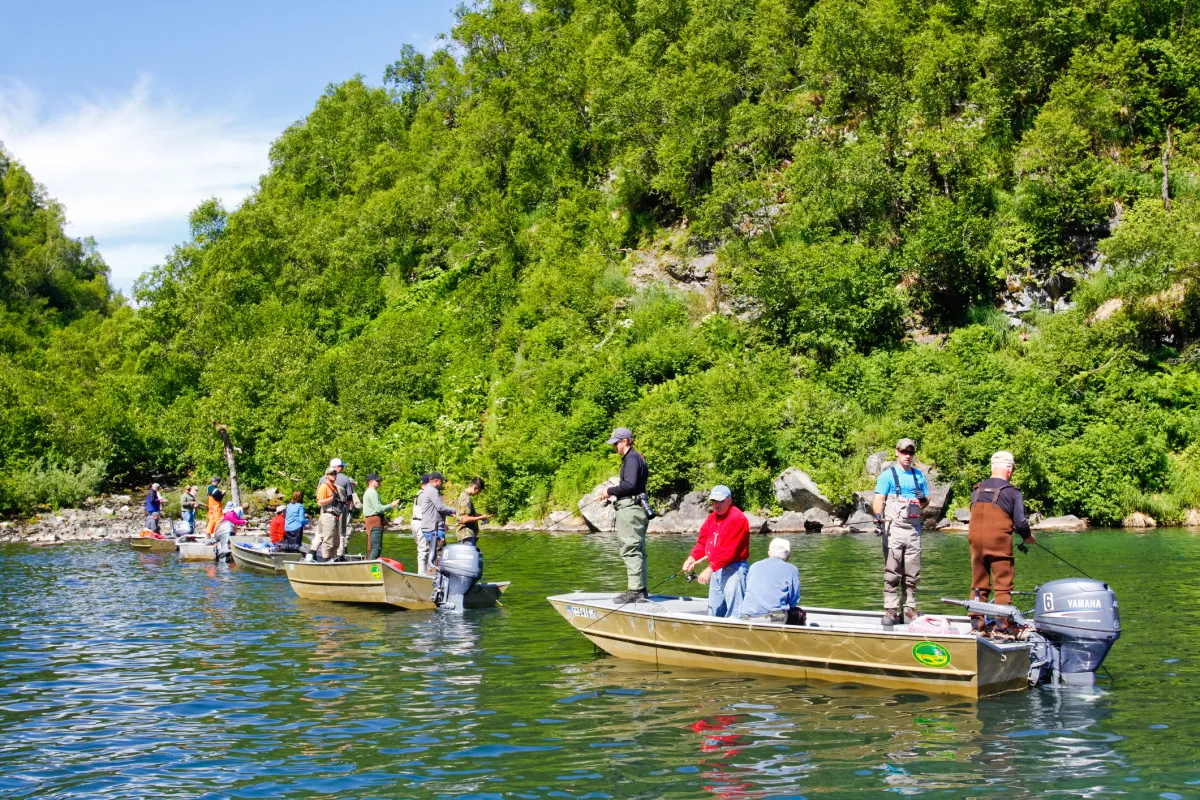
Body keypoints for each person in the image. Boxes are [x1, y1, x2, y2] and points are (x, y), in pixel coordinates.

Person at [968, 451, 1036, 634]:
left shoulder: (977, 489)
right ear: (1009, 468)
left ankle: (977, 626)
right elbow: (1020, 522)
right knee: (1002, 585)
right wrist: (1027, 537)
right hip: (999, 543)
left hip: (975, 543)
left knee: (978, 584)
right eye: (1012, 468)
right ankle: (1002, 628)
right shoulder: (1012, 492)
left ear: (992, 467)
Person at [872, 438, 931, 625]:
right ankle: (891, 610)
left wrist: (923, 500)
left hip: (914, 530)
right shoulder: (887, 475)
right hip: (893, 529)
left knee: (913, 573)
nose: (908, 456)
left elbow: (926, 502)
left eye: (911, 453)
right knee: (892, 571)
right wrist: (878, 514)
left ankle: (909, 609)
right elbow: (878, 499)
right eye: (904, 452)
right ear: (897, 452)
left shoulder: (918, 476)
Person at [681, 485, 750, 618]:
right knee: (714, 611)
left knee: (734, 613)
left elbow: (729, 551)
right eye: (714, 501)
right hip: (716, 569)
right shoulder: (712, 518)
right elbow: (702, 542)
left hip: (734, 569)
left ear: (729, 500)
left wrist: (709, 569)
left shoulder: (738, 519)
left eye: (720, 501)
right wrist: (692, 558)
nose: (716, 505)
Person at [601, 427, 650, 604]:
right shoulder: (637, 457)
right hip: (637, 507)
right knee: (638, 550)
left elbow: (629, 485)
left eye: (616, 443)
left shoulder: (631, 458)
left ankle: (635, 591)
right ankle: (640, 590)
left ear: (625, 441)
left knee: (630, 548)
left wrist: (609, 490)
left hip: (630, 509)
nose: (614, 446)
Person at [741, 538, 802, 622]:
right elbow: (793, 600)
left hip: (747, 617)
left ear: (769, 553)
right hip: (773, 618)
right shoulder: (792, 569)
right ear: (788, 556)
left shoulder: (754, 566)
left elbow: (747, 589)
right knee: (799, 613)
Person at [418, 472, 457, 576]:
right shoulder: (433, 491)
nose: (442, 483)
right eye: (441, 481)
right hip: (434, 529)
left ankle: (430, 576)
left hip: (429, 528)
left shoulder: (427, 490)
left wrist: (449, 514)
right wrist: (454, 511)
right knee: (439, 555)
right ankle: (436, 579)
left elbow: (436, 508)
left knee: (432, 554)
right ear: (436, 481)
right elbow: (440, 507)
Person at [362, 473, 401, 560]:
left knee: (371, 547)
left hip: (371, 522)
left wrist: (384, 519)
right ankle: (371, 567)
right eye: (377, 481)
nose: (379, 482)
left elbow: (375, 509)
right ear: (371, 482)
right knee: (376, 548)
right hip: (375, 523)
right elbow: (378, 508)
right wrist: (392, 505)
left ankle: (368, 565)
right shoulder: (372, 493)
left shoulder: (368, 492)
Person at [313, 466, 346, 561]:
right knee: (328, 541)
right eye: (331, 474)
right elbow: (320, 503)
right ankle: (326, 561)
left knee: (336, 541)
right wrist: (332, 498)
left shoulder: (335, 487)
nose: (333, 476)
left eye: (335, 474)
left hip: (336, 516)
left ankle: (333, 559)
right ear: (326, 475)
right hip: (327, 515)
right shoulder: (324, 487)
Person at [327, 458, 357, 559]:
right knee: (344, 532)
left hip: (328, 512)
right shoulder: (345, 479)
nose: (343, 468)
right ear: (337, 467)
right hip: (342, 511)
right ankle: (341, 553)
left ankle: (327, 554)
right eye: (342, 466)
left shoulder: (323, 479)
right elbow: (349, 497)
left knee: (331, 532)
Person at [456, 478, 490, 548]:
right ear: (475, 487)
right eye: (479, 491)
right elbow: (465, 519)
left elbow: (469, 514)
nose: (479, 493)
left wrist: (482, 516)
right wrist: (481, 517)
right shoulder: (465, 498)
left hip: (468, 534)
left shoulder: (465, 496)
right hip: (466, 534)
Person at [411, 475, 430, 574]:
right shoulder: (424, 495)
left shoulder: (418, 493)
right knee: (423, 552)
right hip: (420, 523)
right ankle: (422, 575)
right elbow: (427, 512)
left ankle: (424, 573)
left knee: (422, 550)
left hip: (415, 523)